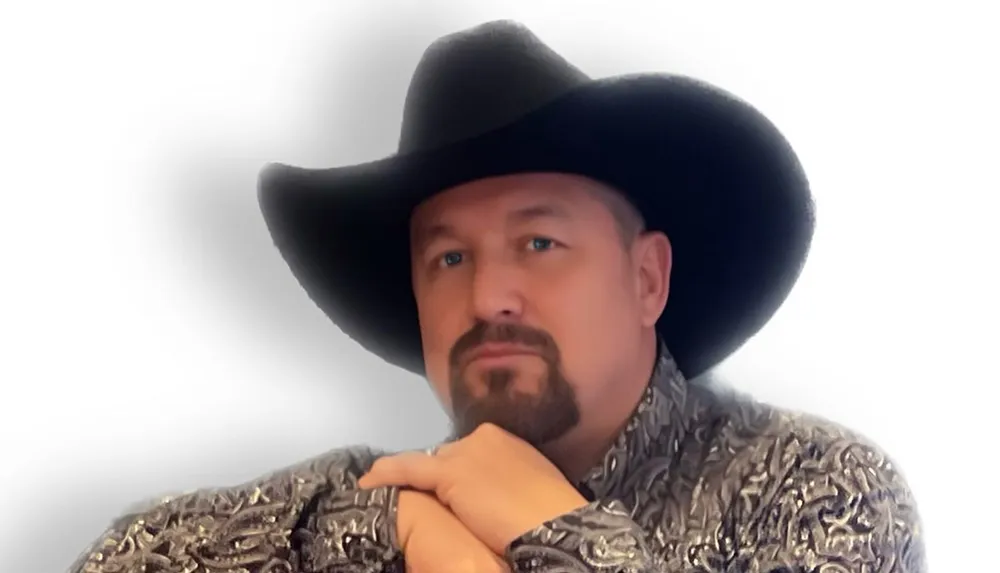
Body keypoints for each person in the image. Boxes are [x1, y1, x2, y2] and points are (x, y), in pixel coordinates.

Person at [71, 20, 925, 573]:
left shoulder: (815, 486)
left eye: (539, 242)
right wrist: (402, 526)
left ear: (647, 278)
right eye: (447, 259)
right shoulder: (382, 500)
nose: (489, 295)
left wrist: (551, 529)